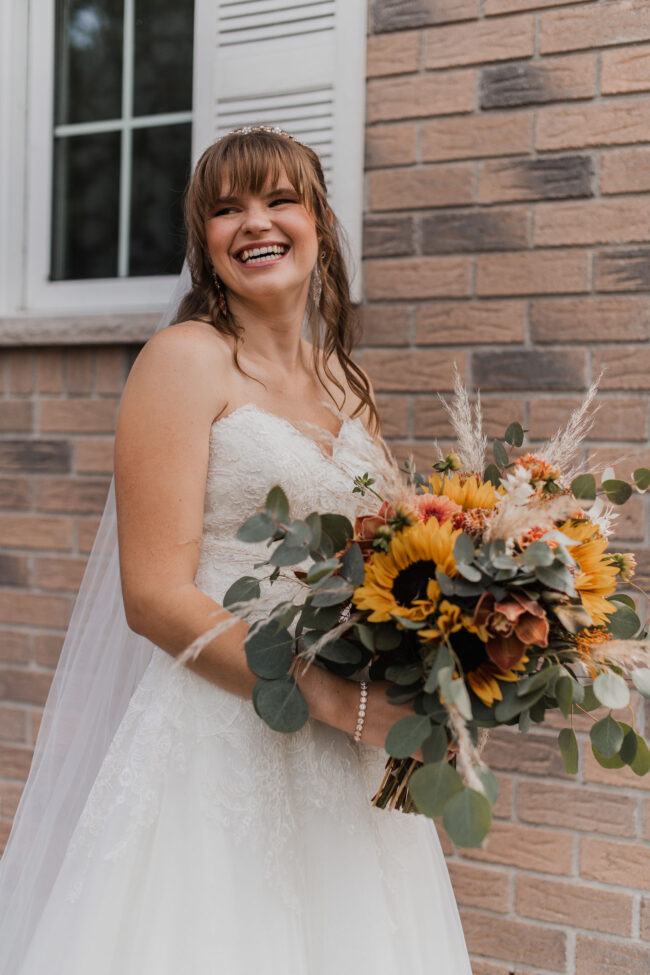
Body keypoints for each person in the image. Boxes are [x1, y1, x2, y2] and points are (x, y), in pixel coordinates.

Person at [0, 126, 472, 974]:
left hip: (351, 757)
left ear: (319, 222)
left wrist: (456, 648)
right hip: (222, 738)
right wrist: (335, 700)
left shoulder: (347, 384)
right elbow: (153, 596)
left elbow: (390, 561)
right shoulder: (185, 361)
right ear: (205, 242)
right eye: (227, 209)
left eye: (280, 199)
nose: (255, 221)